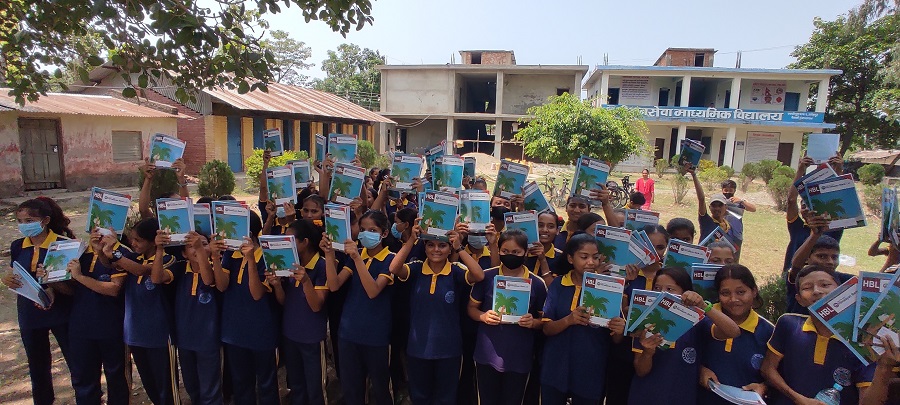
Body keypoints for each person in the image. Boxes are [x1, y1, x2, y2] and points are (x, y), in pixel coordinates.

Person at [390, 222, 486, 405]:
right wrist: (411, 240)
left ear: (450, 249)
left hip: (449, 350)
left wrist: (460, 246)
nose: (436, 250)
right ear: (424, 247)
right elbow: (394, 268)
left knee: (446, 398)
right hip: (418, 349)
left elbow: (479, 275)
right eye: (431, 245)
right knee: (420, 397)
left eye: (442, 245)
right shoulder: (416, 268)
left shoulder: (456, 271)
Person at [761, 265, 874, 405]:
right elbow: (768, 368)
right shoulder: (789, 324)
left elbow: (867, 397)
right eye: (807, 287)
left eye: (825, 285)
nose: (817, 291)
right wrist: (796, 398)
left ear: (841, 291)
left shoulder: (861, 340)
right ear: (799, 299)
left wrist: (884, 368)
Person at [628, 267, 740, 405]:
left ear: (685, 292)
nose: (662, 293)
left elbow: (733, 331)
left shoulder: (696, 320)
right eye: (657, 288)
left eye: (670, 289)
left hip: (683, 397)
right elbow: (640, 371)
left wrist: (703, 305)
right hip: (646, 397)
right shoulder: (645, 320)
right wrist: (648, 353)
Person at [2, 198, 76, 405]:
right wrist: (7, 278)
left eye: (29, 220)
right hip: (29, 312)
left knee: (75, 360)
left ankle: (87, 396)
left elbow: (73, 286)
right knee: (37, 364)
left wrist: (53, 286)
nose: (24, 225)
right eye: (20, 221)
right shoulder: (18, 246)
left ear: (45, 221)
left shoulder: (62, 245)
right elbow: (15, 270)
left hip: (61, 312)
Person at [540, 233, 626, 404]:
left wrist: (619, 330)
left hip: (590, 369)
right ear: (571, 259)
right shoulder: (559, 284)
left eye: (595, 257)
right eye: (584, 257)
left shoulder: (610, 287)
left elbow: (616, 339)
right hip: (556, 367)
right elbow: (546, 328)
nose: (591, 262)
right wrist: (569, 320)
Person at [323, 210, 395, 405]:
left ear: (384, 233)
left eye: (372, 230)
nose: (365, 234)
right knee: (352, 389)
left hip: (376, 336)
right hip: (349, 333)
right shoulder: (358, 255)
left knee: (380, 389)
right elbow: (334, 285)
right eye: (362, 229)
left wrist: (357, 259)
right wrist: (329, 255)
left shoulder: (390, 259)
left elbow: (373, 290)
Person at [469, 229, 548, 405]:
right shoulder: (487, 277)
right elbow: (471, 309)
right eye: (505, 251)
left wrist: (533, 322)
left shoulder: (537, 283)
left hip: (519, 357)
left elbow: (545, 322)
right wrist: (483, 316)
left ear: (525, 253)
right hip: (487, 354)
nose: (510, 255)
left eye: (516, 252)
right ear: (498, 250)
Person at [212, 212, 280, 405]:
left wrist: (250, 260)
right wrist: (216, 258)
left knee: (267, 384)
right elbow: (222, 285)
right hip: (234, 331)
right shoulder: (231, 255)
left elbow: (257, 294)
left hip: (261, 332)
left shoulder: (268, 256)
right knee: (241, 383)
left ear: (247, 233)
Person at [114, 219, 179, 405]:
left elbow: (147, 273)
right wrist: (106, 250)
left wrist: (159, 251)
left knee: (166, 387)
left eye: (138, 240)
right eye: (132, 239)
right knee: (149, 383)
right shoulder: (133, 257)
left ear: (153, 241)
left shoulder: (169, 260)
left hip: (159, 335)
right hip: (135, 333)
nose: (133, 244)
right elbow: (111, 263)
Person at [65, 228, 130, 405]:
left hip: (111, 326)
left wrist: (79, 276)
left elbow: (114, 289)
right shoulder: (79, 253)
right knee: (83, 377)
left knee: (116, 376)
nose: (97, 232)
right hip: (81, 326)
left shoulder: (120, 253)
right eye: (94, 227)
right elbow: (70, 288)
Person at [270, 219, 329, 405]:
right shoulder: (288, 263)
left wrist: (305, 282)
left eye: (291, 239)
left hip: (311, 338)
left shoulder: (321, 266)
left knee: (315, 389)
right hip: (290, 335)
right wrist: (277, 286)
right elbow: (284, 302)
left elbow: (316, 306)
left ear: (305, 242)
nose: (286, 242)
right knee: (296, 386)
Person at [698, 264, 774, 405]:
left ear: (754, 291)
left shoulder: (768, 331)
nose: (733, 299)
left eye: (741, 292)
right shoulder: (701, 319)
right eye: (725, 293)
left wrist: (763, 387)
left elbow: (777, 373)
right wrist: (699, 370)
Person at [172, 231, 222, 405]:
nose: (197, 248)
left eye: (203, 244)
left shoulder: (217, 269)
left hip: (208, 340)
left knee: (210, 388)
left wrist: (201, 251)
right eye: (191, 246)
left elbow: (208, 280)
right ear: (184, 253)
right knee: (191, 385)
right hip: (185, 339)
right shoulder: (179, 270)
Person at [787, 232, 853, 315]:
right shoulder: (800, 277)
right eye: (822, 256)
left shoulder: (846, 280)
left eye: (834, 257)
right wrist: (815, 235)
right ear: (806, 258)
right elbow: (796, 266)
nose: (830, 262)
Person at [689, 165, 743, 252]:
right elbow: (701, 199)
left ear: (726, 207)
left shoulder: (729, 226)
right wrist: (694, 175)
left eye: (720, 205)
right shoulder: (706, 222)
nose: (717, 208)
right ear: (709, 208)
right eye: (714, 205)